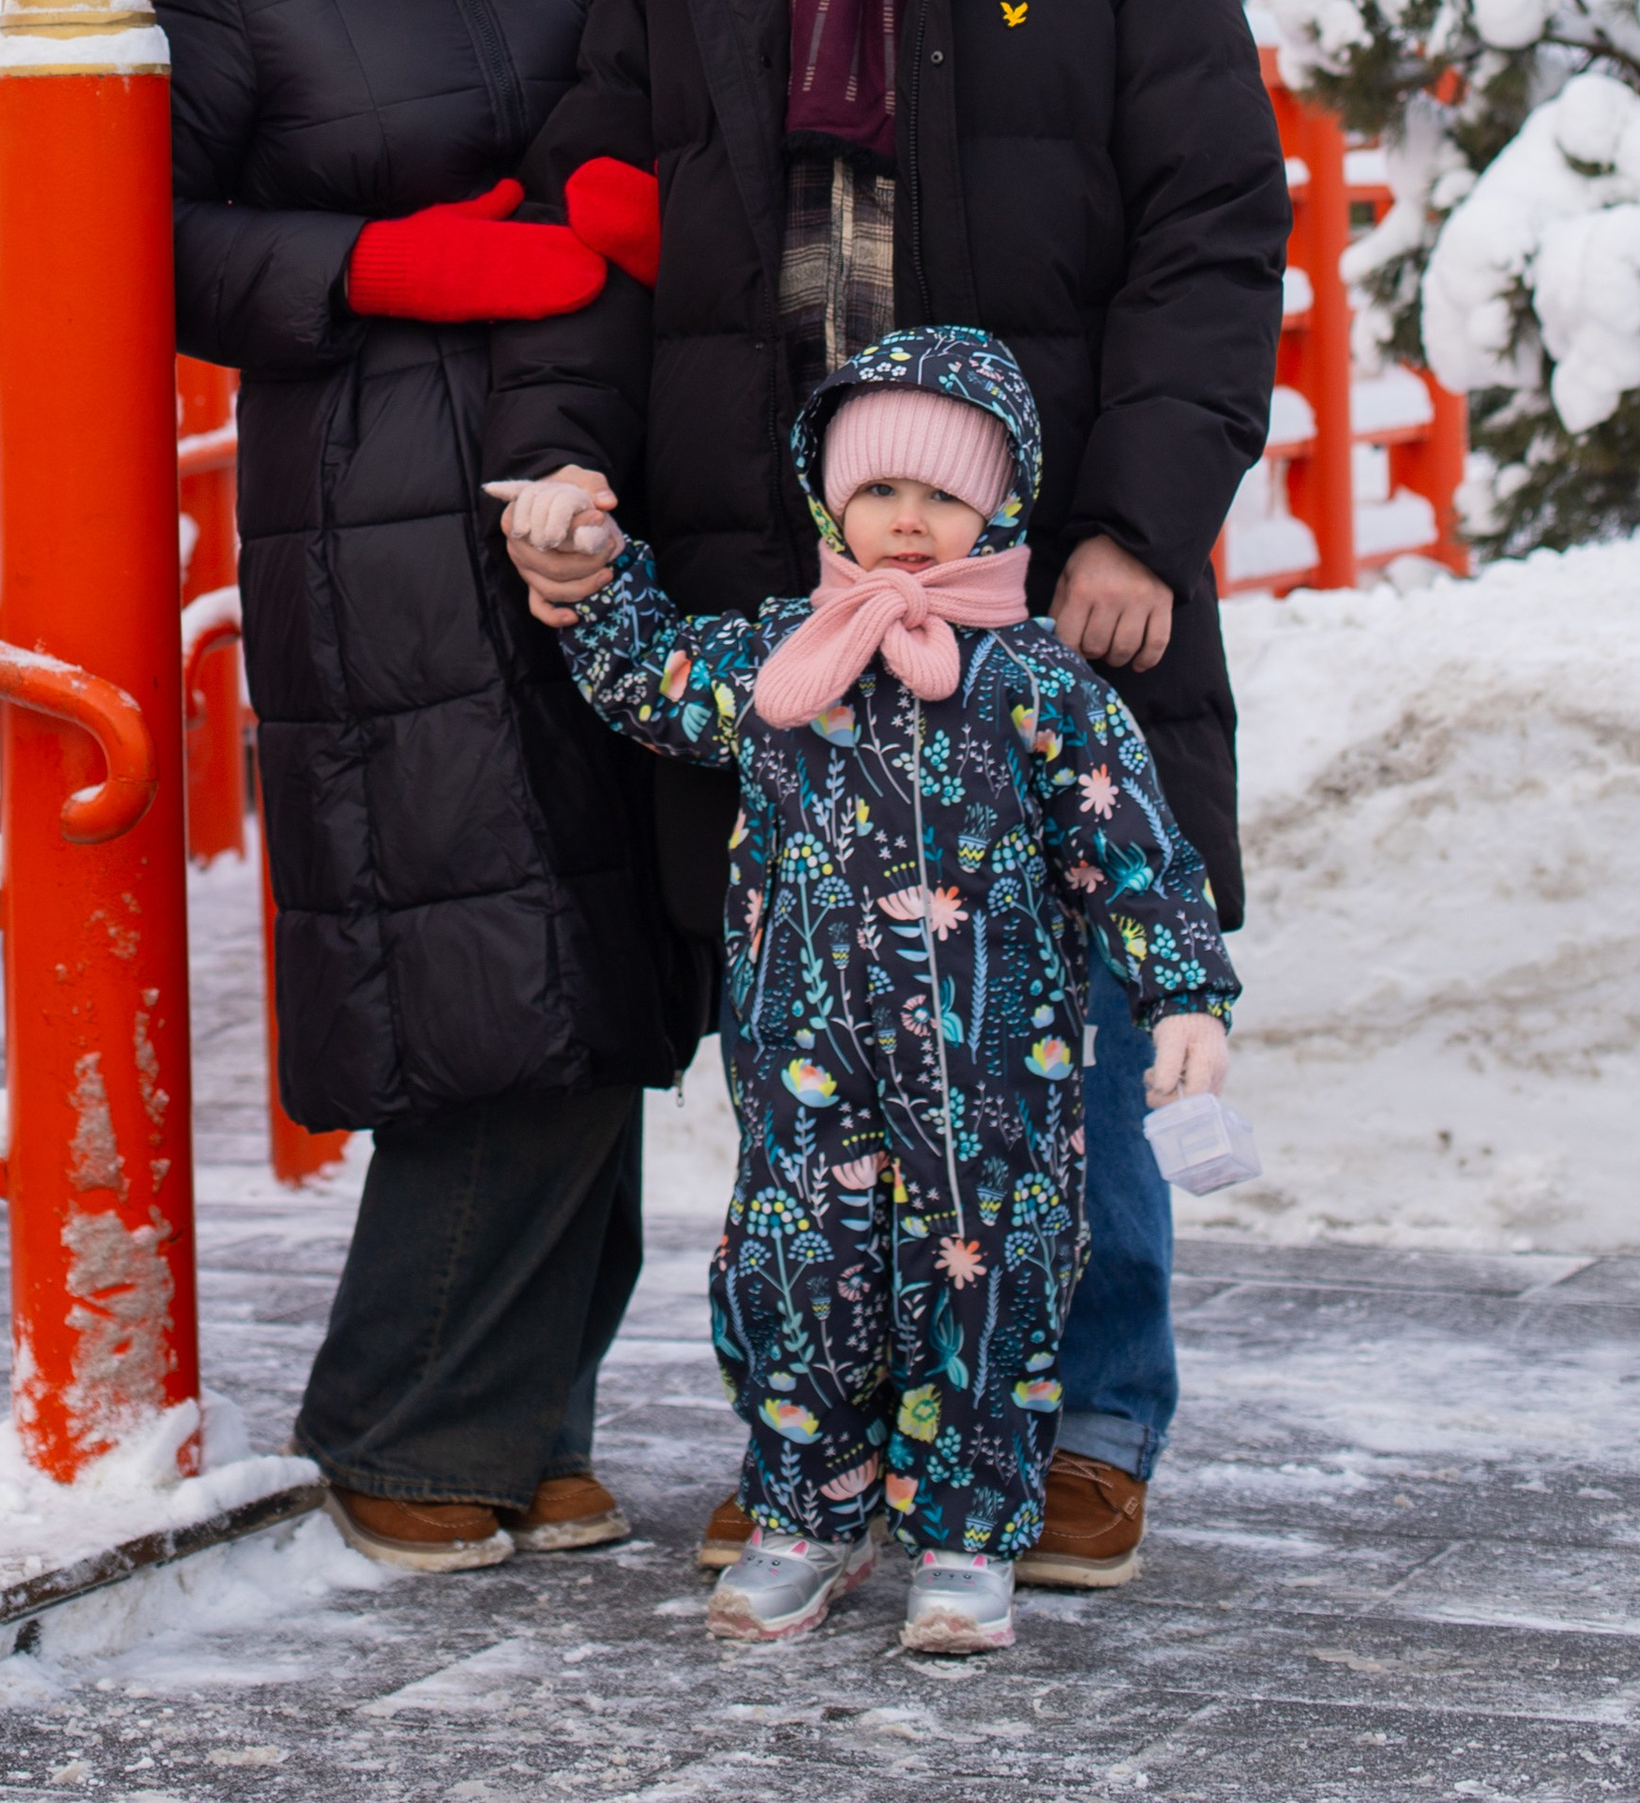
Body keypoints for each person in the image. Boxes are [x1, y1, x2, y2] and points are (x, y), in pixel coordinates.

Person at [484, 0, 1288, 1588]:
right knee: (814, 1081)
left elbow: (1210, 251)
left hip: (1040, 596)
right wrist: (562, 462)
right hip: (781, 603)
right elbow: (591, 226)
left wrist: (1137, 518)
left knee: (1066, 1051)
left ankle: (1087, 1418)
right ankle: (825, 1436)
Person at [153, 0, 700, 1579]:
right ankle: (399, 1415)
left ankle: (528, 1417)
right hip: (377, 504)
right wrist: (389, 262)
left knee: (608, 951)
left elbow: (606, 125)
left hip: (578, 472)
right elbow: (155, 244)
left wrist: (615, 202)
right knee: (485, 963)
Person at [494, 324, 1237, 1658]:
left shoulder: (1037, 681)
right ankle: (805, 1513)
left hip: (998, 1079)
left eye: (942, 493)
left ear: (999, 502)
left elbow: (1132, 843)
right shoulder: (782, 661)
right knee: (802, 1280)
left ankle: (965, 1537)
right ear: (830, 495)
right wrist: (598, 569)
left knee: (989, 1290)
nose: (908, 520)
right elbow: (650, 677)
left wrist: (1182, 992)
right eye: (880, 490)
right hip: (807, 1067)